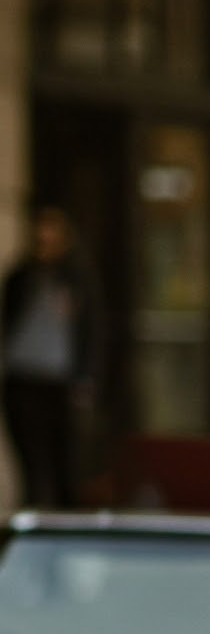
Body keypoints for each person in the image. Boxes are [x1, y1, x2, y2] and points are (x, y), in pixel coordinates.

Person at [1, 204, 104, 509]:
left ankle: (64, 516)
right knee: (31, 460)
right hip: (23, 376)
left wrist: (86, 377)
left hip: (59, 381)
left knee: (65, 462)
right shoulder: (22, 276)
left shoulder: (77, 279)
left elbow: (93, 330)